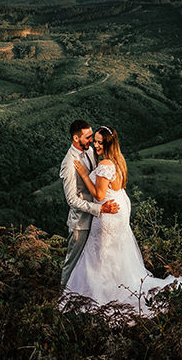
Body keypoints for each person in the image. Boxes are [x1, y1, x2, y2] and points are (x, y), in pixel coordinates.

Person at [62, 125, 182, 316]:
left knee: (100, 256)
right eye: (93, 140)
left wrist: (85, 175)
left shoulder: (104, 164)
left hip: (107, 214)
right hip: (117, 211)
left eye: (99, 142)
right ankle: (116, 285)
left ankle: (100, 294)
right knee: (113, 254)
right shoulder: (118, 160)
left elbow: (100, 195)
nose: (95, 145)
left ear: (107, 144)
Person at [60, 119, 120, 287]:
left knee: (91, 265)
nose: (92, 141)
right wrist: (100, 208)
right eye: (88, 138)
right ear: (76, 138)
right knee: (72, 264)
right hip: (81, 223)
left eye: (92, 137)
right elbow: (71, 200)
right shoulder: (68, 164)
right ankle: (63, 299)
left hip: (97, 221)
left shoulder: (90, 150)